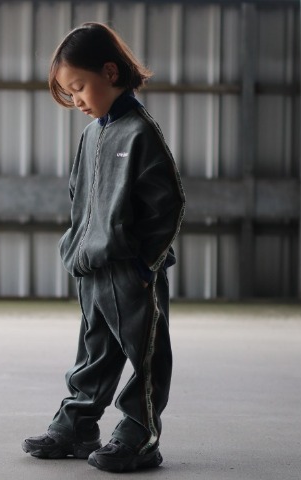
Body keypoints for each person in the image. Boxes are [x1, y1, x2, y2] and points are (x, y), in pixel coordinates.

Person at [22, 22, 185, 473]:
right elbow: (79, 197)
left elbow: (169, 206)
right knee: (94, 351)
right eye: (68, 93)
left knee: (145, 354)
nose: (76, 100)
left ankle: (139, 434)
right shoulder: (92, 134)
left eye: (78, 87)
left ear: (110, 72)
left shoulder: (140, 132)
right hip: (93, 269)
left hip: (133, 271)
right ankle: (77, 424)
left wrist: (145, 264)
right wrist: (75, 249)